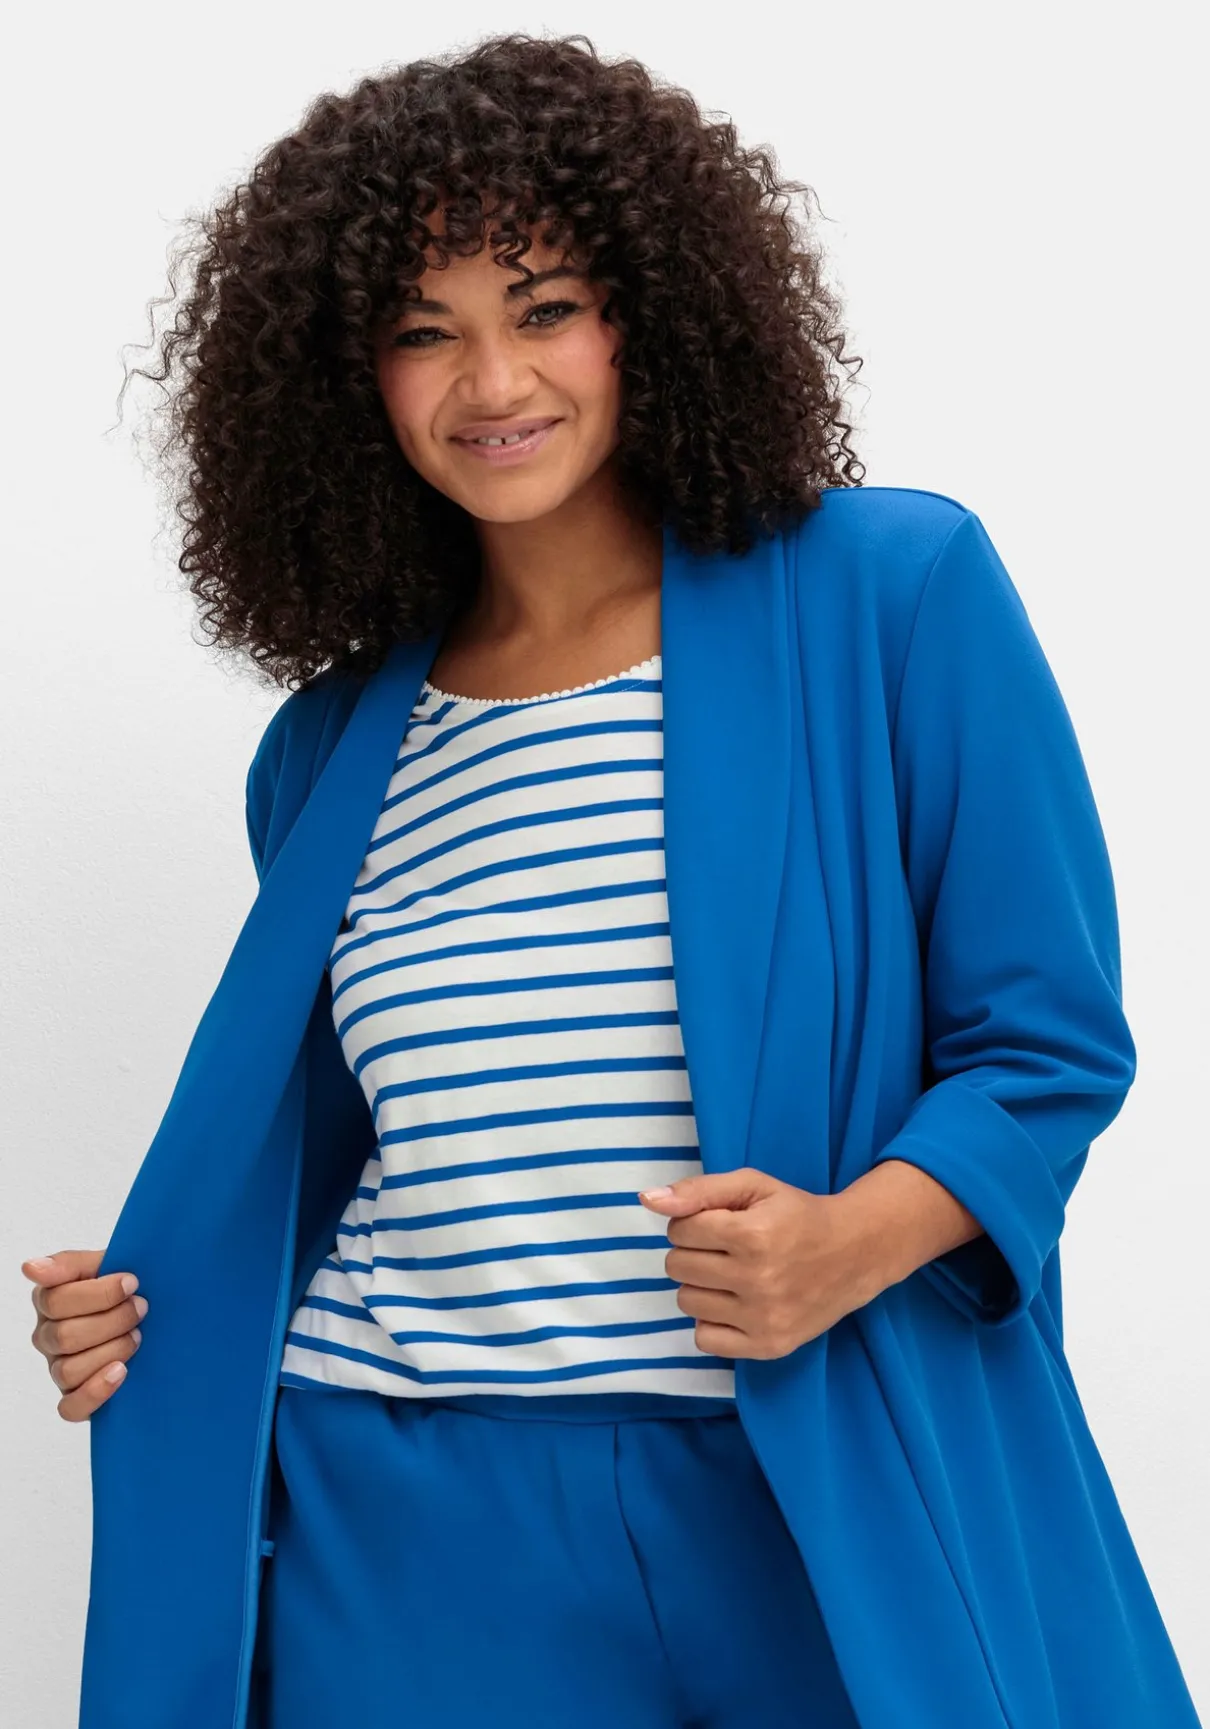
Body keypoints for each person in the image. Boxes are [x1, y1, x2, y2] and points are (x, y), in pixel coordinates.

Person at [21, 30, 1204, 1729]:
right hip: (402, 1514)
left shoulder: (887, 595)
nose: (490, 381)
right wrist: (155, 1318)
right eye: (421, 330)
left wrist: (849, 1240)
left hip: (804, 1473)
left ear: (648, 309)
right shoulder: (328, 749)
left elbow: (1045, 1045)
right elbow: (328, 1161)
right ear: (348, 377)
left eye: (543, 306)